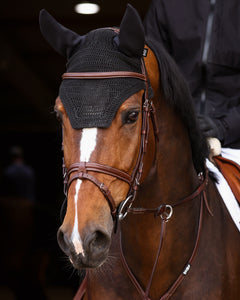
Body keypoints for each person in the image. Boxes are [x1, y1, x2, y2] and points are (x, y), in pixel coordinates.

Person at [144, 0, 240, 149]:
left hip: (235, 142)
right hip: (172, 137)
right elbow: (149, 71)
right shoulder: (166, 4)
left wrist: (224, 127)